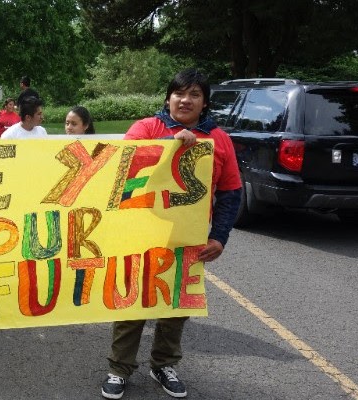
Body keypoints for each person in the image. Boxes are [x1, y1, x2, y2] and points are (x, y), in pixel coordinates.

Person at [100, 69, 242, 400]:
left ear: (204, 103)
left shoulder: (219, 139)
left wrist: (219, 236)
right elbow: (124, 167)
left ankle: (163, 364)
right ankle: (119, 368)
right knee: (133, 301)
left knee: (177, 305)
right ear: (168, 98)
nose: (185, 100)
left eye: (194, 94)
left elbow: (231, 192)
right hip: (140, 233)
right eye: (179, 93)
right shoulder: (147, 128)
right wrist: (167, 145)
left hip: (188, 238)